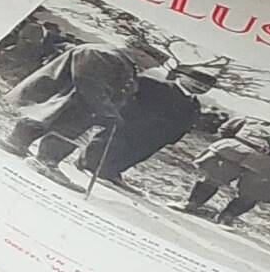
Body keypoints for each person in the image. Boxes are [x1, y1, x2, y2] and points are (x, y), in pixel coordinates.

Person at [3, 31, 158, 187]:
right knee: (63, 127)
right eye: (155, 62)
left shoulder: (117, 58)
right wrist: (108, 111)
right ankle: (44, 161)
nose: (156, 66)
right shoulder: (102, 54)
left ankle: (15, 143)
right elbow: (91, 85)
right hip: (71, 99)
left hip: (74, 100)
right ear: (141, 54)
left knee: (47, 118)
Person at [87, 56, 240, 191]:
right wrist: (119, 115)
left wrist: (171, 138)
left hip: (157, 138)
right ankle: (88, 164)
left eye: (205, 87)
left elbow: (186, 124)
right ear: (181, 76)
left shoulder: (194, 104)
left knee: (135, 155)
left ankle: (111, 172)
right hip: (129, 127)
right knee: (110, 145)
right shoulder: (153, 84)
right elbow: (126, 98)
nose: (200, 87)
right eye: (196, 82)